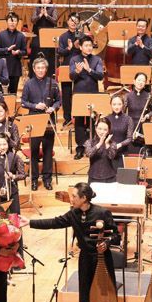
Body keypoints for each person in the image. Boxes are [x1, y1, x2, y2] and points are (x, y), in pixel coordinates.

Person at [30, 183, 122, 302]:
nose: (71, 199)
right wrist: (30, 222)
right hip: (86, 259)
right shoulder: (74, 214)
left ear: (84, 198)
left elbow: (116, 235)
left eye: (74, 196)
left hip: (102, 259)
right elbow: (54, 222)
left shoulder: (102, 213)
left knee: (105, 295)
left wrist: (107, 242)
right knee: (86, 296)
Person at [21, 57, 61, 190]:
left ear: (46, 69)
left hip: (49, 121)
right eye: (38, 68)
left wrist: (53, 108)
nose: (40, 70)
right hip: (34, 121)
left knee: (48, 151)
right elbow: (23, 102)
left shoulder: (53, 83)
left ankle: (47, 179)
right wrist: (35, 106)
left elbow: (58, 101)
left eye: (43, 68)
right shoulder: (28, 84)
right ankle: (34, 179)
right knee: (33, 151)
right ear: (34, 69)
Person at [70, 36, 104, 159]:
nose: (89, 48)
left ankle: (92, 146)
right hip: (79, 94)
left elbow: (100, 76)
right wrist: (77, 71)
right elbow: (71, 76)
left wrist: (89, 69)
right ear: (80, 47)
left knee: (92, 120)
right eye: (86, 45)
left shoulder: (97, 59)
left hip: (93, 93)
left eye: (90, 45)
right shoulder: (74, 59)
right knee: (79, 121)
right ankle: (80, 148)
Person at [0, 134, 25, 214]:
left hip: (12, 193)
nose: (2, 147)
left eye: (4, 144)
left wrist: (13, 176)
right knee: (0, 219)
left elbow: (23, 175)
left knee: (14, 217)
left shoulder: (15, 157)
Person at [56, 13, 83, 127]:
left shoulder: (81, 35)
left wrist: (79, 46)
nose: (73, 23)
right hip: (66, 67)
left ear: (79, 23)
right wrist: (69, 48)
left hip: (79, 67)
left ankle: (78, 118)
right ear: (67, 22)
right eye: (72, 20)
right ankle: (67, 118)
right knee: (66, 94)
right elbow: (60, 52)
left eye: (76, 21)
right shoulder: (63, 36)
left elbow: (87, 50)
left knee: (78, 93)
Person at [125, 72, 152, 154]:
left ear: (145, 83)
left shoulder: (148, 96)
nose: (140, 82)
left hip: (144, 126)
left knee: (145, 152)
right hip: (132, 126)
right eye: (139, 80)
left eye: (143, 81)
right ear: (134, 81)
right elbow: (123, 111)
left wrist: (147, 116)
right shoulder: (128, 96)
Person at [29, 0, 58, 78]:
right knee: (35, 54)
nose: (44, 0)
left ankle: (49, 76)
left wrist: (46, 15)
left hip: (49, 36)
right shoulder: (37, 8)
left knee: (49, 56)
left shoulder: (53, 8)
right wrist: (40, 15)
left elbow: (55, 21)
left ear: (50, 0)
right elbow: (33, 20)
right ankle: (33, 76)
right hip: (37, 36)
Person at [0, 12, 27, 93]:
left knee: (13, 92)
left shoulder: (21, 36)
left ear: (17, 22)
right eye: (10, 21)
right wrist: (7, 49)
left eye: (14, 21)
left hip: (15, 67)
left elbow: (25, 51)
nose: (12, 23)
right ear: (7, 22)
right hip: (3, 67)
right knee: (2, 92)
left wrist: (18, 52)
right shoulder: (1, 34)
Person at [85, 119, 117, 184]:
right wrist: (99, 144)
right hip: (93, 176)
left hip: (109, 177)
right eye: (99, 129)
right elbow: (88, 154)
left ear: (108, 131)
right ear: (96, 129)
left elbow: (112, 156)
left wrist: (107, 144)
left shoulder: (112, 143)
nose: (102, 132)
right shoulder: (89, 142)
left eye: (105, 130)